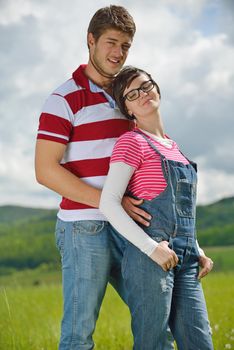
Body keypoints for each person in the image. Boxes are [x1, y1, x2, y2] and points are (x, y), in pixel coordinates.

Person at [34, 6, 151, 350]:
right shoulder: (63, 98)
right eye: (111, 42)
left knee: (162, 318)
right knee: (78, 335)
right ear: (91, 40)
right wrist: (112, 203)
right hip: (86, 227)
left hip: (132, 227)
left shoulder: (129, 97)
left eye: (126, 46)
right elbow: (45, 170)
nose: (118, 53)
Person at [100, 66, 214, 349]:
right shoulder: (132, 142)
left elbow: (182, 210)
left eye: (146, 86)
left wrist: (197, 249)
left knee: (200, 342)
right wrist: (152, 248)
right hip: (150, 258)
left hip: (186, 261)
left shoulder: (175, 148)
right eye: (132, 94)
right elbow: (108, 203)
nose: (143, 95)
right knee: (152, 343)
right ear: (127, 109)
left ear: (157, 88)